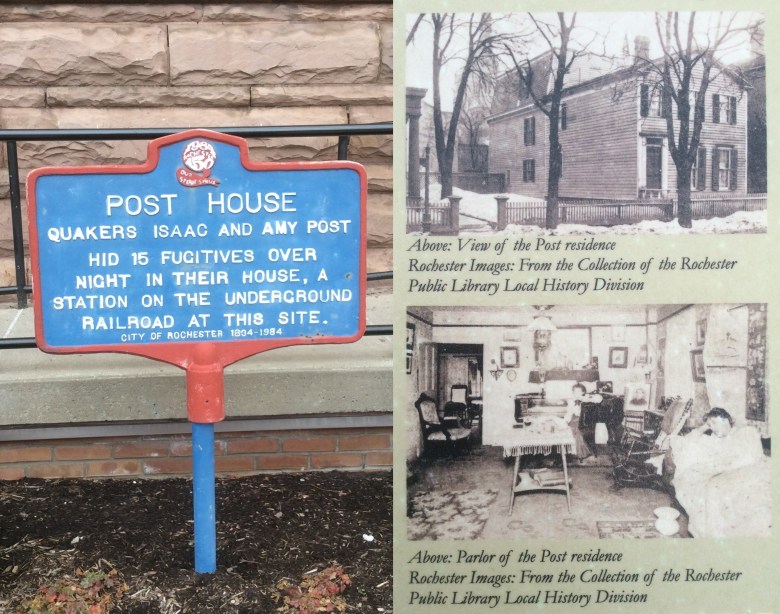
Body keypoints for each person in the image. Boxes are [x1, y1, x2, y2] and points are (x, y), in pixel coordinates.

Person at [563, 382, 595, 461]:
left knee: (577, 431)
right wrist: (566, 421)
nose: (576, 394)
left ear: (583, 392)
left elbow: (581, 413)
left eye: (578, 391)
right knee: (569, 430)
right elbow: (569, 413)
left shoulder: (586, 400)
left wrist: (586, 398)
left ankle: (580, 453)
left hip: (584, 421)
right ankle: (570, 452)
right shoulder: (572, 401)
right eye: (574, 392)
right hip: (574, 420)